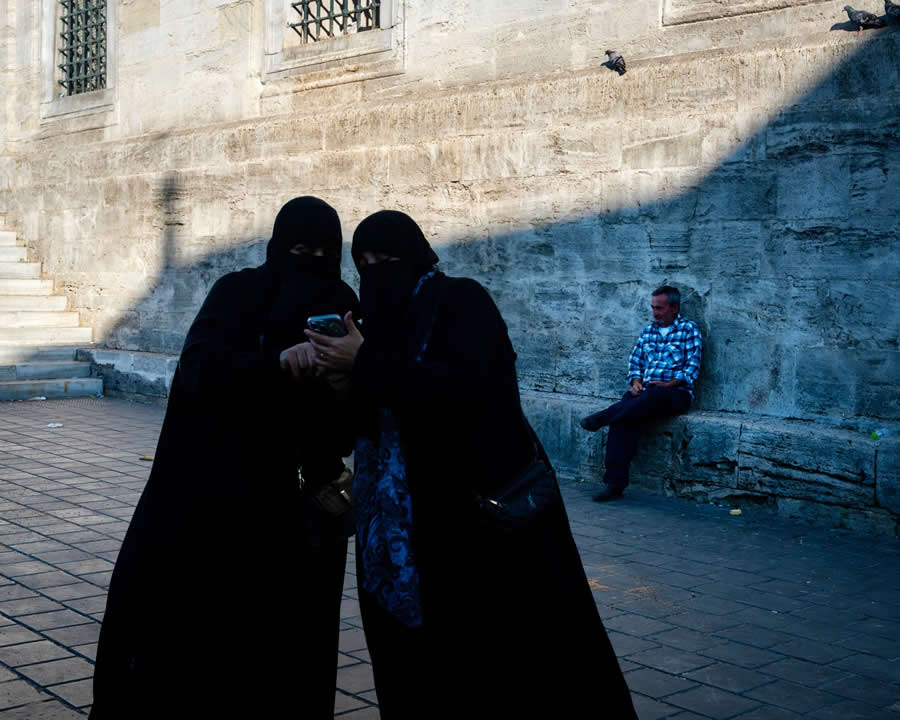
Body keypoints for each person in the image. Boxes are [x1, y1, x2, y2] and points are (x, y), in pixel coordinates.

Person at [307, 210, 637, 719]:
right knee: (410, 668)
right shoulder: (374, 325)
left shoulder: (461, 301)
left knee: (490, 664)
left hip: (471, 523)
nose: (375, 272)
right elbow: (371, 423)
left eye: (387, 260)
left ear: (416, 256)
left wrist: (366, 364)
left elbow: (469, 391)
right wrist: (343, 382)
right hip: (393, 540)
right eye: (363, 263)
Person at [89, 197, 359, 720]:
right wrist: (276, 363)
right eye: (300, 249)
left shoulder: (344, 302)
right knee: (205, 640)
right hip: (221, 501)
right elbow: (199, 374)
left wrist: (348, 373)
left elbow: (353, 419)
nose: (313, 261)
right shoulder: (237, 293)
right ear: (277, 247)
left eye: (326, 252)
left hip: (304, 510)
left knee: (293, 650)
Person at [581, 285, 702, 502]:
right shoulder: (648, 332)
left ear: (674, 308)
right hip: (645, 393)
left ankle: (603, 417)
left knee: (650, 397)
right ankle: (614, 485)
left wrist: (669, 384)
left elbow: (692, 368)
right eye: (653, 307)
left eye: (660, 308)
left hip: (676, 393)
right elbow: (635, 361)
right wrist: (636, 382)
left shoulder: (689, 329)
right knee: (623, 420)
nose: (655, 312)